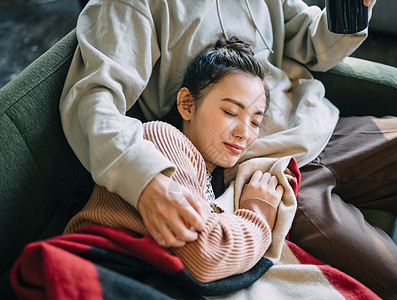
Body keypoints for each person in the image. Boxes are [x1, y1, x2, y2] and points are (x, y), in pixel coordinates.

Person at [59, 0, 397, 298]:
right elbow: (91, 101)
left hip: (320, 126)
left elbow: (313, 44)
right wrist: (145, 180)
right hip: (259, 171)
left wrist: (351, 10)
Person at [64, 36, 287, 283]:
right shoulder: (160, 138)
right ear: (187, 105)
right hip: (97, 272)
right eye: (230, 112)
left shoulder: (213, 179)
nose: (245, 133)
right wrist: (259, 212)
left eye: (255, 122)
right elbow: (207, 256)